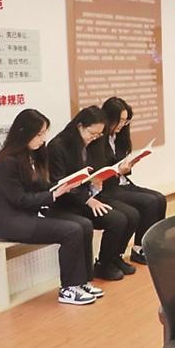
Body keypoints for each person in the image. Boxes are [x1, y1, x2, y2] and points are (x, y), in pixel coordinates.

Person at [0, 109, 102, 305]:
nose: (43, 139)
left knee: (84, 225)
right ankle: (68, 288)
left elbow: (42, 186)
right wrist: (53, 195)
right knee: (71, 230)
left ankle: (82, 281)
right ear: (24, 132)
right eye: (39, 134)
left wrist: (66, 185)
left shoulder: (30, 156)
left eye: (44, 133)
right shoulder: (6, 162)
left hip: (28, 216)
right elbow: (19, 200)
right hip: (10, 222)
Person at [47, 106, 137, 281]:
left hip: (90, 195)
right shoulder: (58, 146)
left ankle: (111, 259)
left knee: (131, 214)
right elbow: (60, 183)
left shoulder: (94, 143)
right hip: (69, 202)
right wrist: (88, 199)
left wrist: (98, 181)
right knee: (117, 219)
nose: (95, 138)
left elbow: (95, 170)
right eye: (92, 133)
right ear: (80, 126)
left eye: (98, 135)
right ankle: (102, 266)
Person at [88, 97, 166, 264]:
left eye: (126, 121)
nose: (122, 125)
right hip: (109, 188)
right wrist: (118, 170)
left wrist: (129, 165)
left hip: (123, 183)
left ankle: (154, 244)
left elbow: (120, 163)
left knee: (160, 198)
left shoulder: (119, 137)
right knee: (149, 202)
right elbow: (99, 171)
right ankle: (139, 249)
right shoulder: (98, 139)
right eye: (120, 120)